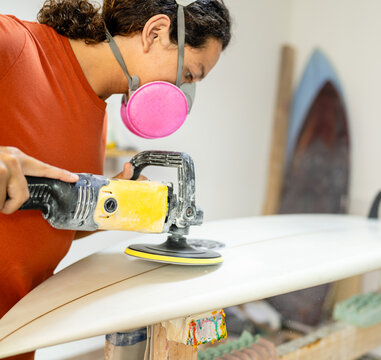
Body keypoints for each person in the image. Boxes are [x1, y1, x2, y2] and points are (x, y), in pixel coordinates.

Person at [0, 0, 231, 358]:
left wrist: (114, 205)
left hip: (15, 336)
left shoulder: (97, 113)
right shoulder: (16, 46)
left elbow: (43, 224)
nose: (184, 94)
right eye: (188, 75)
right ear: (154, 33)